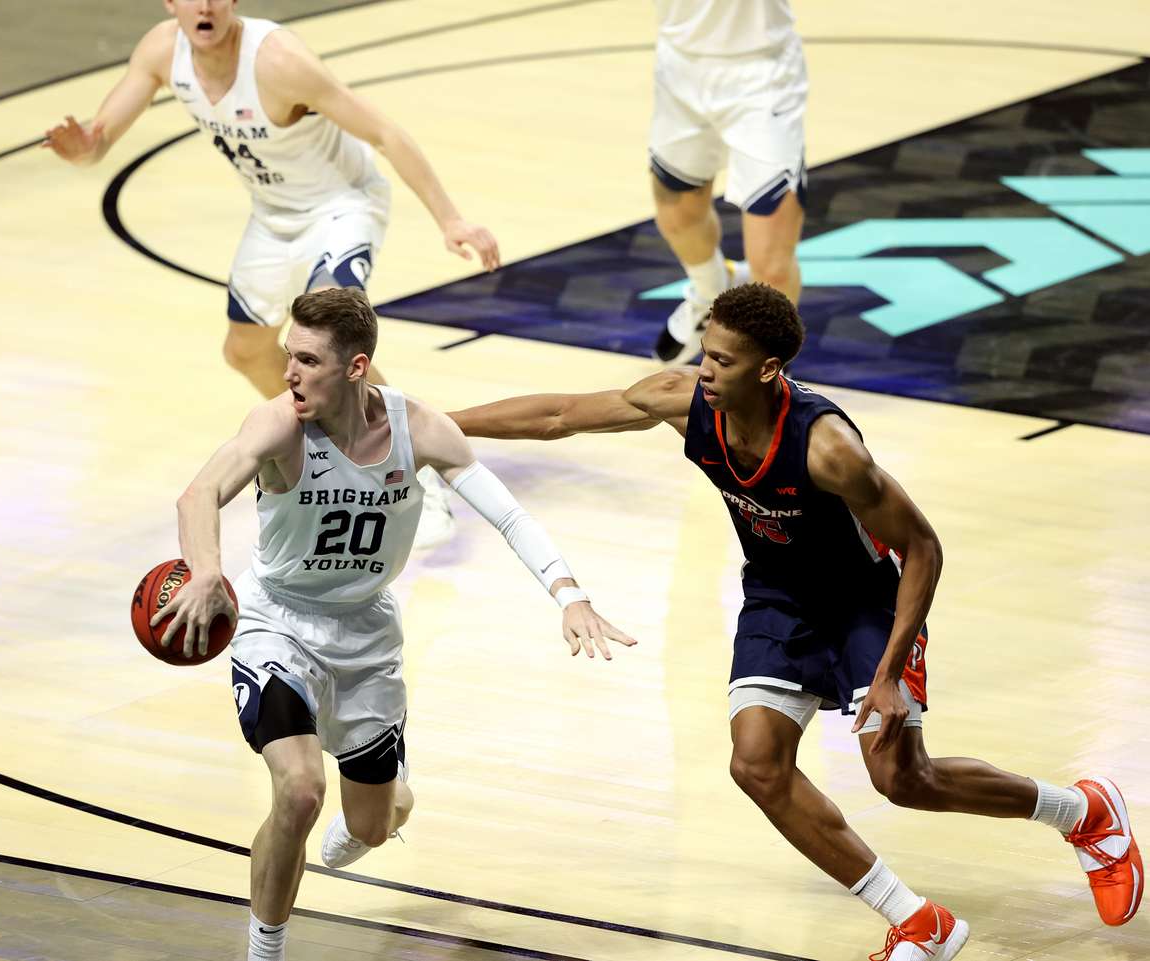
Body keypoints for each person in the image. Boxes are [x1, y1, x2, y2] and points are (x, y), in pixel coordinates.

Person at [448, 283, 1142, 960]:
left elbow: (922, 545)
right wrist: (438, 426)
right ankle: (918, 921)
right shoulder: (681, 398)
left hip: (864, 602)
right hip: (777, 597)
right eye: (706, 353)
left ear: (769, 368)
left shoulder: (829, 448)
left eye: (722, 360)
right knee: (756, 764)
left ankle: (1081, 810)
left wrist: (890, 672)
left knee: (902, 780)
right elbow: (559, 414)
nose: (706, 370)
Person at [153, 287, 634, 961]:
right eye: (289, 355)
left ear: (355, 368)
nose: (289, 372)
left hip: (366, 637)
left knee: (372, 826)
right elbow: (198, 491)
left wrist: (569, 593)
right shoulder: (279, 423)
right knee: (298, 791)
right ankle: (264, 951)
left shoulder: (420, 429)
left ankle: (387, 798)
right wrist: (205, 569)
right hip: (279, 623)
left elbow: (508, 514)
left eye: (308, 360)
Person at [44, 0, 498, 547]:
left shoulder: (278, 60)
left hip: (341, 204)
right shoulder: (162, 50)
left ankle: (412, 474)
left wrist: (451, 219)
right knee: (246, 352)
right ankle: (331, 448)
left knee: (329, 342)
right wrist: (82, 150)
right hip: (273, 216)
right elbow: (97, 143)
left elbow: (384, 133)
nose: (205, 6)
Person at [648, 0, 808, 364]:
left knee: (771, 265)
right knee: (677, 215)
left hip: (763, 76)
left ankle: (770, 384)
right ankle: (710, 294)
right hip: (680, 66)